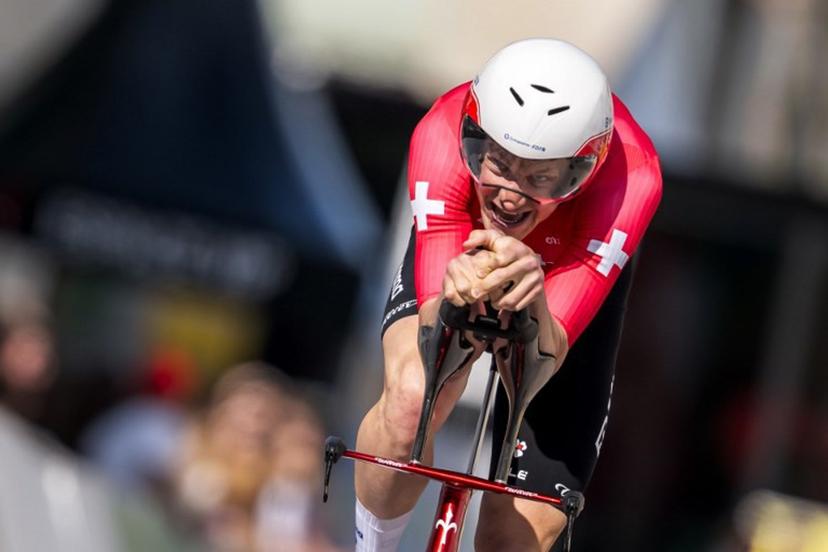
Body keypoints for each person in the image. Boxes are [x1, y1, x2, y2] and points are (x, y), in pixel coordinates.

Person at [354, 38, 662, 551]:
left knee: (517, 530)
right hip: (459, 237)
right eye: (496, 162)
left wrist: (535, 296)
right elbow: (433, 324)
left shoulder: (633, 178)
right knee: (412, 401)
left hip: (567, 269)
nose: (511, 197)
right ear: (472, 135)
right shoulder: (438, 133)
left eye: (542, 177)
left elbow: (551, 350)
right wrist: (454, 299)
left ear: (585, 167)